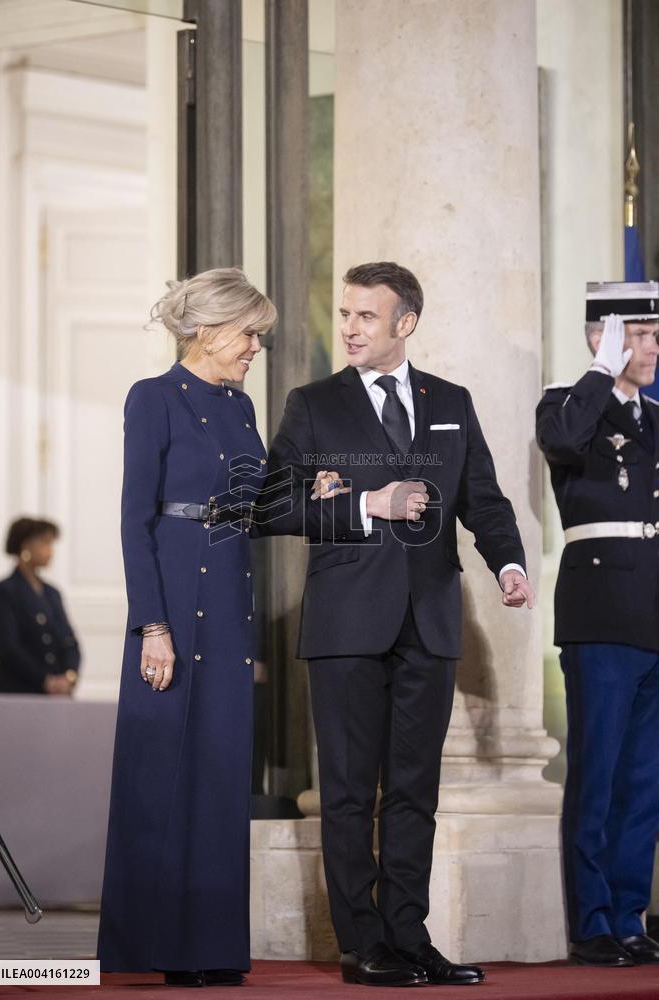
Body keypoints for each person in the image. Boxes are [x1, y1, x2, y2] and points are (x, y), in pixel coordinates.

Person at [255, 261, 533, 987]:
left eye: (365, 316)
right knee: (348, 791)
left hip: (431, 621)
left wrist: (508, 564)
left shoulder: (451, 400)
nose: (348, 327)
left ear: (404, 323)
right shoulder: (312, 404)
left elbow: (486, 500)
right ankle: (364, 945)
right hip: (346, 624)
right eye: (345, 314)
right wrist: (363, 506)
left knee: (415, 790)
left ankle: (411, 938)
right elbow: (272, 506)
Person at [97, 268, 278, 987]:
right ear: (207, 330)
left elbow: (260, 506)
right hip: (169, 605)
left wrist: (325, 492)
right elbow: (134, 520)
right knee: (159, 776)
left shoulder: (241, 410)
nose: (255, 347)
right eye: (249, 333)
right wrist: (152, 626)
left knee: (221, 776)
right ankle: (152, 947)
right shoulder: (152, 399)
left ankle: (211, 949)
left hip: (230, 609)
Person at [536, 281, 659, 968]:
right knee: (600, 772)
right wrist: (599, 371)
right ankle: (592, 924)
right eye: (638, 335)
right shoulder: (568, 405)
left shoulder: (657, 417)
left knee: (646, 781)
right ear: (602, 337)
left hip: (654, 614)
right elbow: (561, 442)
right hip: (601, 613)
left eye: (653, 336)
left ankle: (629, 913)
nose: (652, 348)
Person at [0, 517, 79, 695]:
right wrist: (45, 680)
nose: (50, 551)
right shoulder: (4, 592)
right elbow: (8, 648)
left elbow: (70, 643)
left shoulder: (52, 593)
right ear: (26, 545)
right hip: (17, 692)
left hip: (55, 696)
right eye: (45, 543)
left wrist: (69, 676)